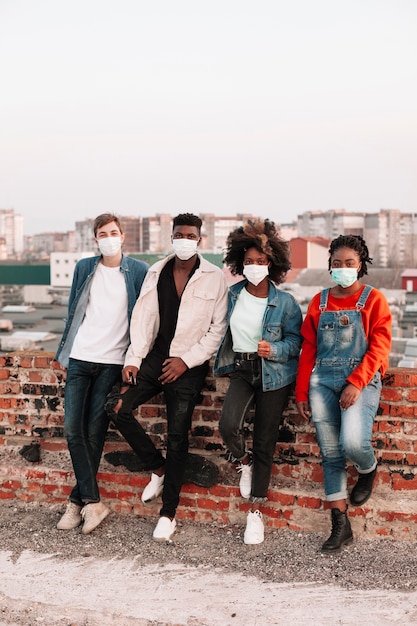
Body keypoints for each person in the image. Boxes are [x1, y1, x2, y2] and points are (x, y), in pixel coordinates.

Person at [106, 213, 228, 542]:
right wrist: (134, 358)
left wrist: (185, 362)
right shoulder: (156, 271)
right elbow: (143, 319)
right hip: (154, 359)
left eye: (191, 236)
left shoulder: (214, 277)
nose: (184, 240)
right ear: (171, 237)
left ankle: (168, 513)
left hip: (188, 366)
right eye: (179, 235)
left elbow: (217, 332)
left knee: (177, 437)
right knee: (116, 408)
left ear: (200, 240)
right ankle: (157, 469)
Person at [295, 234, 392, 553]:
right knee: (331, 454)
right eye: (337, 264)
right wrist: (301, 391)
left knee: (353, 443)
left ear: (360, 265)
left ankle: (368, 468)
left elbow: (379, 345)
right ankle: (340, 524)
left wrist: (357, 382)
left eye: (349, 263)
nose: (342, 268)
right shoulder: (319, 301)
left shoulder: (373, 299)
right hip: (321, 381)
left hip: (360, 379)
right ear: (330, 266)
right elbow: (308, 347)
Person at [55, 213, 148, 534]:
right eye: (102, 234)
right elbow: (72, 312)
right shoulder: (84, 268)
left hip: (112, 363)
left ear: (122, 236)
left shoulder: (138, 271)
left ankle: (76, 502)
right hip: (80, 358)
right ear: (96, 239)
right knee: (71, 429)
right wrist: (64, 352)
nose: (108, 238)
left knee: (95, 433)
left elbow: (144, 319)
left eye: (113, 232)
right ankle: (92, 501)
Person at [213, 219, 303, 544]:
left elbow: (297, 343)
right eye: (248, 261)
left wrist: (275, 348)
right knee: (227, 426)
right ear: (240, 263)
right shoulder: (232, 295)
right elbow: (217, 330)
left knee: (265, 441)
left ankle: (255, 512)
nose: (254, 266)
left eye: (260, 261)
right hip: (242, 369)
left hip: (274, 375)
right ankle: (244, 462)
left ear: (272, 264)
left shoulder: (287, 303)